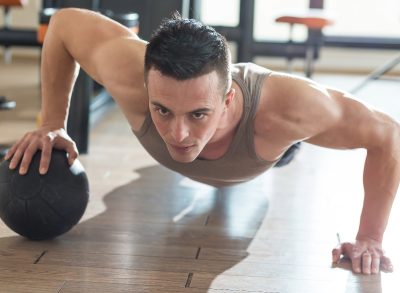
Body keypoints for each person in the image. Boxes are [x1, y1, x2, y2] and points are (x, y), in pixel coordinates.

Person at [3, 8, 399, 275]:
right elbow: (63, 25)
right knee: (135, 187)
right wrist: (54, 122)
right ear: (145, 85)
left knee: (285, 150)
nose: (178, 134)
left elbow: (388, 135)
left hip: (262, 151)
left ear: (227, 100)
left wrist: (369, 237)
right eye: (162, 110)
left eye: (197, 114)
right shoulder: (126, 69)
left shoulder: (291, 110)